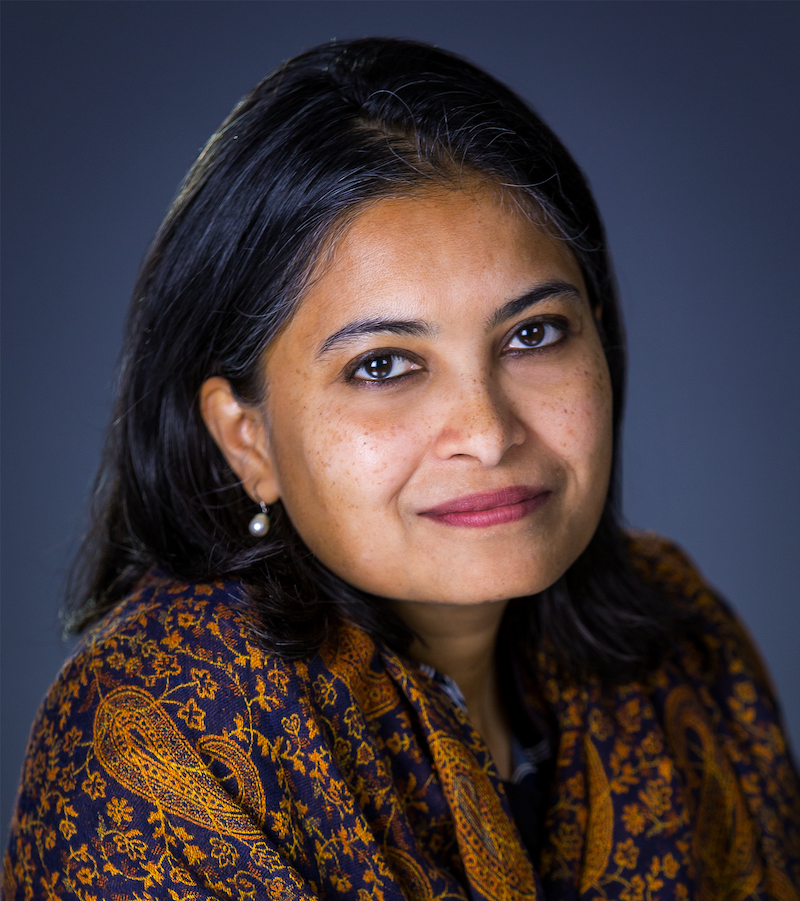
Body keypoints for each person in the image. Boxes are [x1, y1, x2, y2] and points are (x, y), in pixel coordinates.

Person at [4, 36, 798, 900]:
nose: (488, 433)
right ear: (247, 438)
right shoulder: (161, 737)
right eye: (383, 364)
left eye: (533, 334)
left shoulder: (685, 641)